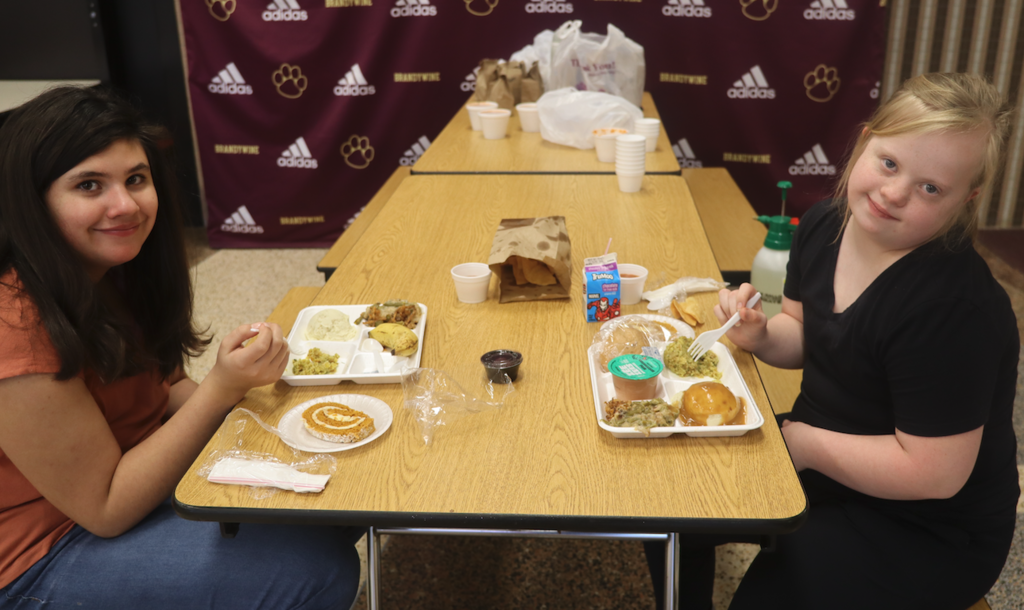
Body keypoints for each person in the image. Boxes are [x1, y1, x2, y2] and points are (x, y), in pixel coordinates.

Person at [648, 72, 1019, 609]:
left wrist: (804, 445)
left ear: (967, 198)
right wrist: (760, 333)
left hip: (924, 527)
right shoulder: (824, 225)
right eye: (889, 163)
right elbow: (803, 332)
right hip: (820, 462)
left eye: (931, 188)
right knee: (668, 505)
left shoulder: (955, 310)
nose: (894, 193)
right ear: (866, 141)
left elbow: (933, 473)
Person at [0, 86, 361, 609]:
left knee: (340, 490)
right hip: (45, 550)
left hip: (132, 479)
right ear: (31, 202)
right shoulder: (15, 327)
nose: (125, 205)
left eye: (135, 179)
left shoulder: (113, 266)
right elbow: (106, 508)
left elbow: (164, 388)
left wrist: (266, 410)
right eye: (89, 185)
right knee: (314, 572)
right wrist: (221, 390)